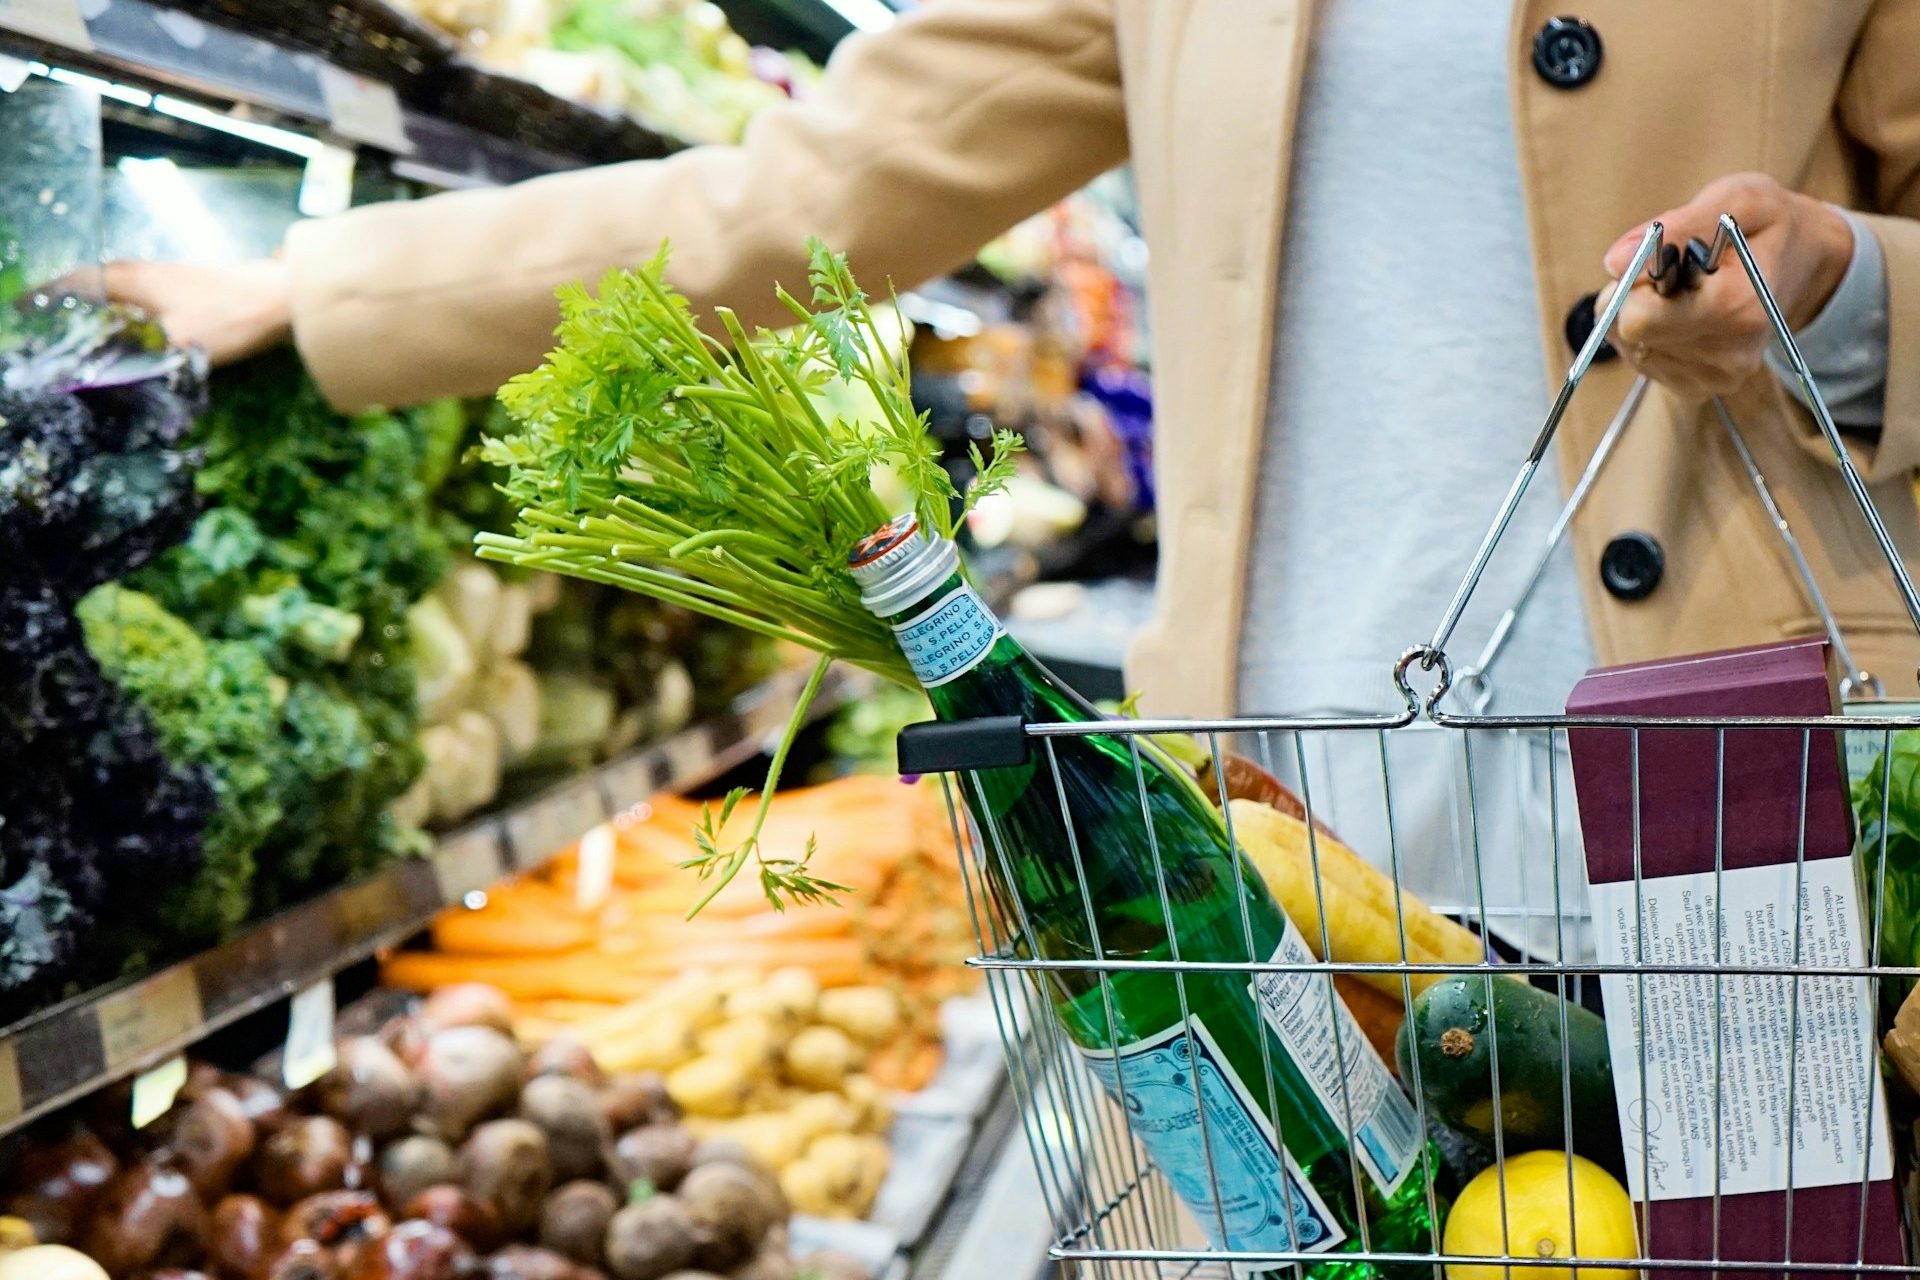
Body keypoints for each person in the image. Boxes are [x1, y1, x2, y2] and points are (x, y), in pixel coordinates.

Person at [105, 2, 1920, 954]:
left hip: (1753, 780)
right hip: (1294, 807)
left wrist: (1841, 293)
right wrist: (325, 289)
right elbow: (792, 201)